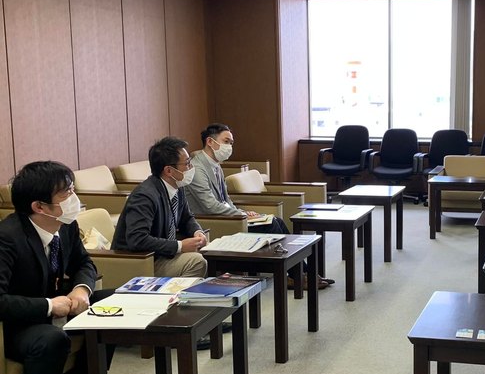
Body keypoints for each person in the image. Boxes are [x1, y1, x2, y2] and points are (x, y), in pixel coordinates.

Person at [0, 161, 135, 374]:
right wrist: (49, 306)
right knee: (51, 338)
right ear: (39, 206)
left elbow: (84, 263)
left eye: (73, 189)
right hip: (18, 324)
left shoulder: (66, 224)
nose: (75, 198)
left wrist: (82, 289)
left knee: (115, 302)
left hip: (60, 303)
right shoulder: (7, 238)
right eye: (66, 193)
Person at [185, 123, 332, 290]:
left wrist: (242, 212)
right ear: (210, 142)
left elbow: (226, 200)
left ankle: (301, 274)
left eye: (231, 143)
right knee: (272, 225)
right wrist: (240, 216)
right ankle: (301, 275)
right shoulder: (197, 168)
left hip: (228, 217)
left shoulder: (215, 165)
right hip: (213, 222)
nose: (229, 146)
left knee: (276, 221)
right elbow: (210, 206)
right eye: (226, 141)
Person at [112, 136, 207, 278]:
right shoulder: (144, 196)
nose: (191, 168)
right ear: (169, 171)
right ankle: (177, 293)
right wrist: (180, 246)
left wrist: (197, 232)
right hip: (142, 261)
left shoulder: (177, 186)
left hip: (162, 254)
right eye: (187, 163)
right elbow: (137, 239)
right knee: (196, 262)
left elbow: (187, 218)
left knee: (204, 254)